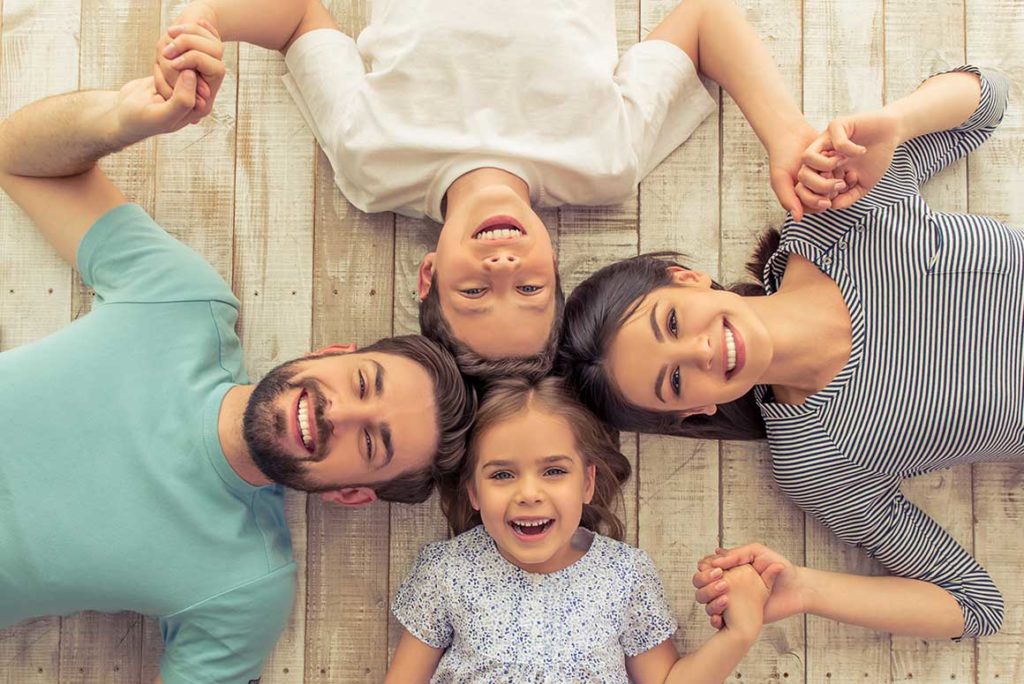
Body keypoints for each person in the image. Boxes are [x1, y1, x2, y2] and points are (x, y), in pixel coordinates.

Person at [0, 71, 474, 683]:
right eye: (361, 383)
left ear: (351, 494)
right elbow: (21, 160)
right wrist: (121, 117)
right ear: (330, 352)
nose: (338, 413)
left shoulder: (246, 587)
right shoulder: (180, 303)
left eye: (370, 442)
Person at [556, 65, 1018, 640]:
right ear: (695, 410)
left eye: (672, 322)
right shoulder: (817, 460)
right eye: (674, 382)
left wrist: (897, 121)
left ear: (686, 278)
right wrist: (805, 589)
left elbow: (989, 100)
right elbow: (973, 607)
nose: (701, 350)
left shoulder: (832, 216)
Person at [148, 0, 834, 379]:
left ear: (429, 273)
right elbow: (706, 21)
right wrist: (787, 136)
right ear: (554, 266)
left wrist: (205, 22)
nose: (503, 267)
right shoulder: (605, 162)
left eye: (474, 291)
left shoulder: (370, 165)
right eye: (529, 288)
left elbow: (299, 19)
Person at [386, 377, 776, 682]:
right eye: (502, 474)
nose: (529, 494)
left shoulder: (624, 575)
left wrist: (738, 634)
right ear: (473, 490)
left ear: (587, 483)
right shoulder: (447, 571)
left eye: (554, 471)